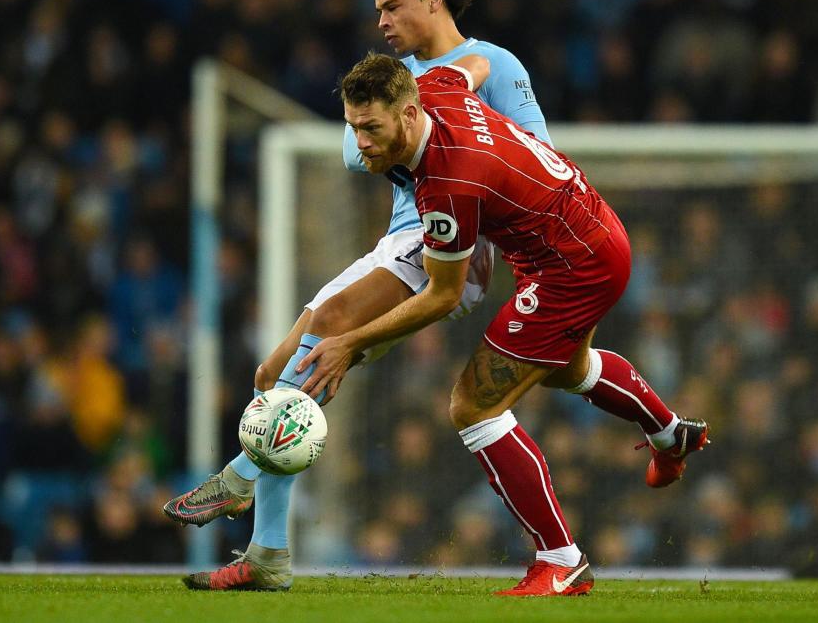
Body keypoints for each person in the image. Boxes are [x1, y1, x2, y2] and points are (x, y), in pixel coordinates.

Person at [163, 0, 554, 590]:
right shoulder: (393, 81)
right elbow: (354, 150)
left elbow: (539, 159)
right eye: (378, 9)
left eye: (393, 6)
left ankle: (239, 479)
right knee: (276, 371)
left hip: (452, 237)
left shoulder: (493, 65)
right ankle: (267, 553)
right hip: (396, 239)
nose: (382, 20)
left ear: (434, 1)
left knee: (331, 325)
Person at [295, 52, 709, 597]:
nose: (361, 143)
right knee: (567, 369)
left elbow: (443, 296)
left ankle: (560, 559)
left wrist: (348, 342)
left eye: (372, 128)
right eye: (353, 128)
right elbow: (476, 65)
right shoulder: (437, 86)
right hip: (591, 230)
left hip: (572, 265)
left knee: (474, 404)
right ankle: (670, 433)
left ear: (409, 114)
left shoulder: (447, 183)